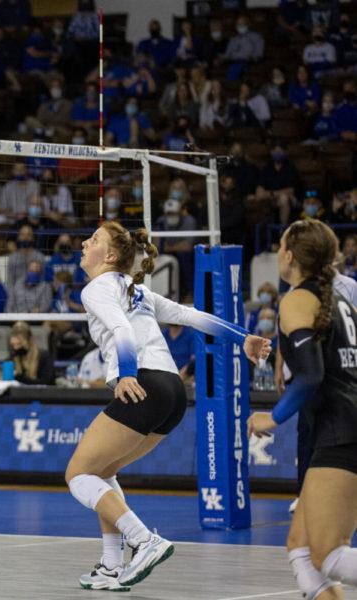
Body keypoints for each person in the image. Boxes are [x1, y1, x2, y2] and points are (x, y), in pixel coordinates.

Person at [69, 221, 269, 591]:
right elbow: (190, 315)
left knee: (77, 475)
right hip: (173, 392)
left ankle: (144, 541)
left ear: (110, 256)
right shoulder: (137, 291)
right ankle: (111, 566)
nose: (84, 243)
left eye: (93, 240)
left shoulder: (96, 288)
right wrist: (242, 338)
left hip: (143, 382)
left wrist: (126, 373)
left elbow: (122, 332)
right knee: (104, 470)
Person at [248, 220, 357, 599]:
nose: (278, 252)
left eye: (280, 246)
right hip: (342, 422)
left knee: (327, 554)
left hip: (339, 428)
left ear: (290, 255)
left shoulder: (297, 299)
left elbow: (310, 376)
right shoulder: (339, 299)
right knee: (299, 547)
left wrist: (272, 417)